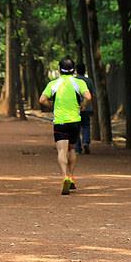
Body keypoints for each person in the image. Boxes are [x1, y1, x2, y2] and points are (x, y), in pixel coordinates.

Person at [39, 57, 91, 195]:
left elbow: (42, 99)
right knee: (72, 148)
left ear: (59, 70)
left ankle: (64, 177)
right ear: (73, 70)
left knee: (61, 151)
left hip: (60, 121)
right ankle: (72, 176)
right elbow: (89, 96)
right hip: (75, 120)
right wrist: (83, 106)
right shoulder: (78, 82)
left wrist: (51, 105)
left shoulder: (53, 84)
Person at [74, 63, 96, 155]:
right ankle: (86, 142)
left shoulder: (73, 81)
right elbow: (93, 94)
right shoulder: (88, 81)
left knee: (76, 128)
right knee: (86, 126)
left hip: (75, 108)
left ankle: (78, 148)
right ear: (84, 70)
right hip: (87, 108)